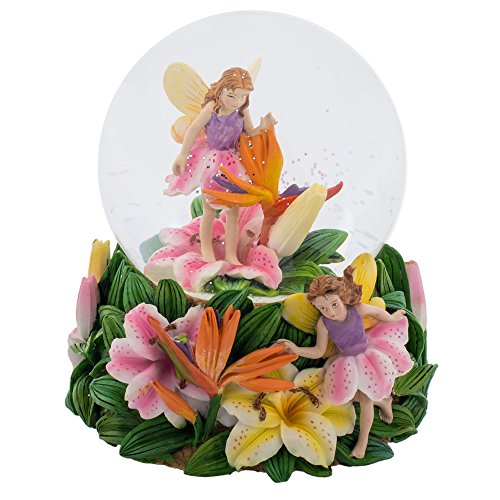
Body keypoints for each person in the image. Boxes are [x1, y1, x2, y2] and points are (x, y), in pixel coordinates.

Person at [276, 267, 413, 458]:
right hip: (347, 361)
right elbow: (319, 351)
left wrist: (392, 317)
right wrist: (297, 350)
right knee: (352, 396)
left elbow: (377, 313)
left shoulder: (356, 309)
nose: (330, 312)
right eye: (323, 308)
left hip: (369, 355)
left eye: (334, 304)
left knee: (366, 400)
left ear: (342, 297)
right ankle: (384, 401)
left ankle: (363, 441)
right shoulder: (323, 324)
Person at [164, 66, 276, 265]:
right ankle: (207, 251)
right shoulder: (212, 108)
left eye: (243, 97)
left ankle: (231, 255)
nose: (237, 102)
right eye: (232, 96)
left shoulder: (242, 110)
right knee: (209, 210)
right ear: (221, 89)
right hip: (212, 162)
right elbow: (193, 129)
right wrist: (182, 154)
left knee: (233, 212)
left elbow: (250, 132)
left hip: (234, 164)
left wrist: (264, 126)